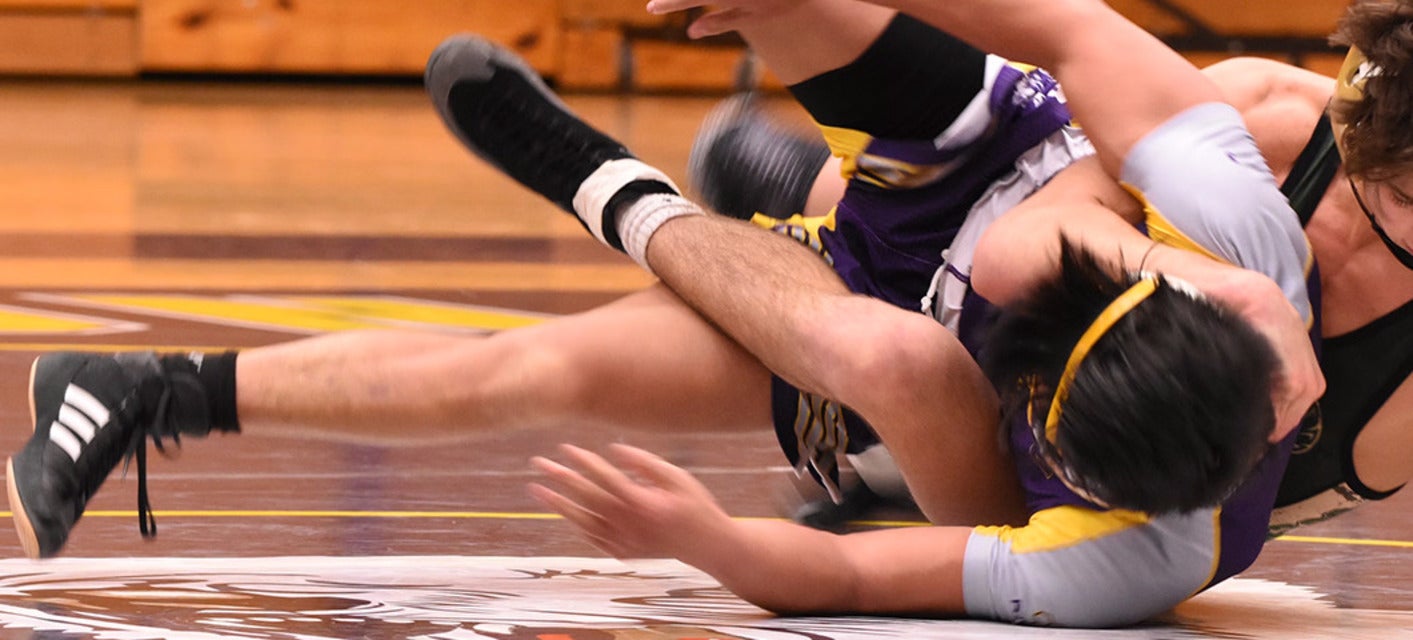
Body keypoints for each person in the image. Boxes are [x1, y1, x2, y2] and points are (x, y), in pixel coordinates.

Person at [4, 1, 1324, 629]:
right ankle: (739, 183)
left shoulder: (1126, 564)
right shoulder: (1240, 241)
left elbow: (861, 577)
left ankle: (148, 390)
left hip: (890, 359)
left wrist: (710, 538)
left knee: (549, 371)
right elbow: (1072, 31)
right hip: (995, 173)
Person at [677, 0, 1413, 535]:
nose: (1395, 217)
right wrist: (1227, 286)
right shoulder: (1273, 112)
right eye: (1395, 189)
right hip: (1018, 293)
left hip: (1173, 475)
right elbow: (1025, 238)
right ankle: (808, 187)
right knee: (990, 195)